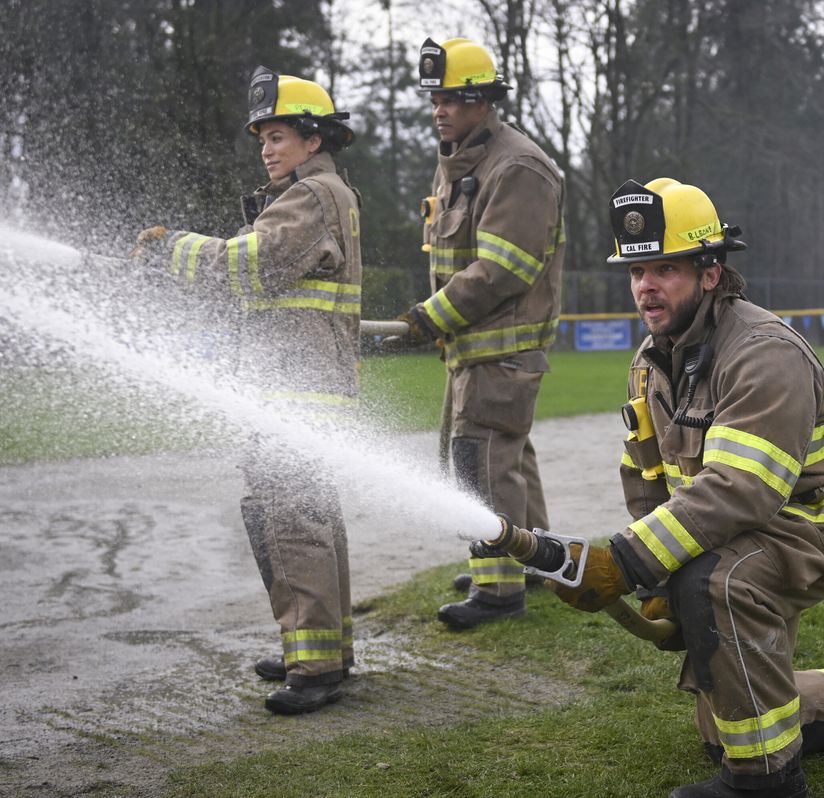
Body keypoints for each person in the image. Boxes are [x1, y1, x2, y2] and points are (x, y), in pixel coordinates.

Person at [545, 178, 824, 798]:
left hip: (812, 523)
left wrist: (631, 561)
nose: (646, 286)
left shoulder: (763, 353)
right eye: (637, 271)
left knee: (715, 583)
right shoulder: (652, 359)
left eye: (665, 268)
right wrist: (659, 579)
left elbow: (742, 489)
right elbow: (645, 474)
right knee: (730, 724)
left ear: (711, 272)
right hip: (737, 529)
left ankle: (766, 781)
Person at [132, 66, 362, 714]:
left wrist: (169, 248)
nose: (266, 147)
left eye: (280, 134)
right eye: (262, 135)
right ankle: (324, 649)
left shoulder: (311, 197)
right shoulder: (325, 194)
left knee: (291, 521)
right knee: (307, 519)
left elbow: (247, 264)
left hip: (295, 389)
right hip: (303, 384)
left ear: (315, 139)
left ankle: (313, 666)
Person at [392, 37, 565, 630]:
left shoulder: (516, 167)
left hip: (500, 348)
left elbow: (503, 270)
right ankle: (533, 560)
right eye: (435, 97)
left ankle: (498, 589)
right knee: (505, 456)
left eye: (454, 98)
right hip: (475, 349)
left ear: (486, 101)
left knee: (482, 461)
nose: (440, 108)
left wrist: (429, 316)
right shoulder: (461, 161)